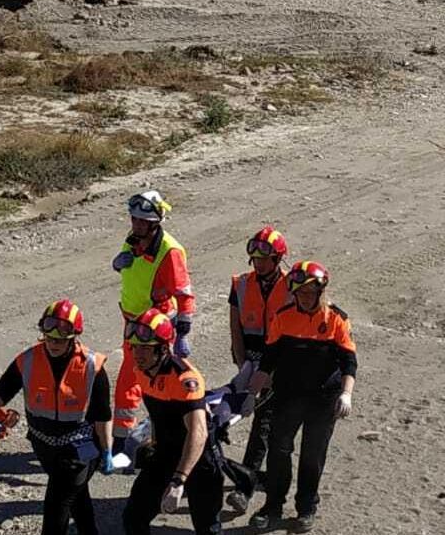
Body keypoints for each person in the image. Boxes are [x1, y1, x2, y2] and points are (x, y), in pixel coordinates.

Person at [0, 299, 112, 535]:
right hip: (44, 446)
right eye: (49, 337)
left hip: (80, 450)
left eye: (60, 338)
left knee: (56, 508)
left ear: (74, 337)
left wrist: (107, 450)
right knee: (78, 502)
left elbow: (102, 415)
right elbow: (2, 389)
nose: (54, 343)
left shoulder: (92, 366)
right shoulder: (28, 360)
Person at [247, 261, 357, 533]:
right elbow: (268, 361)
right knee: (278, 450)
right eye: (300, 293)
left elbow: (349, 361)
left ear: (321, 292)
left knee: (312, 454)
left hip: (323, 399)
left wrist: (346, 393)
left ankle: (307, 507)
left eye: (310, 293)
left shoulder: (336, 319)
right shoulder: (283, 317)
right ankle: (272, 505)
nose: (305, 298)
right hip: (288, 397)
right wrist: (251, 394)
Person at [121, 309, 225, 535]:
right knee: (133, 518)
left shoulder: (184, 379)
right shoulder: (142, 371)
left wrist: (179, 481)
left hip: (198, 459)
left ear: (162, 348)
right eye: (134, 347)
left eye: (145, 348)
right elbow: (158, 414)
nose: (137, 354)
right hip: (165, 454)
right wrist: (152, 439)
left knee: (208, 528)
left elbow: (197, 433)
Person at [111, 191, 195, 463]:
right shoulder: (133, 240)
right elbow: (132, 271)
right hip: (132, 321)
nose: (136, 224)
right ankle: (123, 440)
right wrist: (118, 263)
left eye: (142, 221)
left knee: (154, 380)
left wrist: (182, 332)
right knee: (129, 377)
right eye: (134, 219)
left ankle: (162, 436)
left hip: (156, 326)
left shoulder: (169, 251)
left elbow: (184, 293)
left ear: (155, 223)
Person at [225, 227, 294, 513]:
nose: (259, 263)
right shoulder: (241, 284)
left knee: (264, 422)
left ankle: (244, 487)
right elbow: (235, 329)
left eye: (264, 259)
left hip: (281, 364)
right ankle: (263, 476)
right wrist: (243, 366)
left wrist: (273, 372)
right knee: (238, 415)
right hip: (250, 361)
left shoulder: (293, 286)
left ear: (278, 259)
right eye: (255, 258)